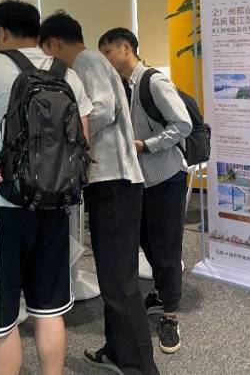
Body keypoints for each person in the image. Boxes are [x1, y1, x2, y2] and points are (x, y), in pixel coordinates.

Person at [0, 0, 92, 375]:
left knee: (1, 320)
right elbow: (84, 141)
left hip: (2, 206)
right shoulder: (66, 73)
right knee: (49, 311)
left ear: (0, 32)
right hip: (55, 204)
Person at [39, 12, 159, 375]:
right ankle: (117, 350)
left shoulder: (86, 61)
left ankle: (140, 366)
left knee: (120, 280)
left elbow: (102, 110)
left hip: (114, 182)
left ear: (54, 43)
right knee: (112, 276)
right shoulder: (90, 62)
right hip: (110, 182)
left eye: (46, 51)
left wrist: (67, 136)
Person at [98, 28, 192, 355]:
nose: (105, 59)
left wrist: (146, 145)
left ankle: (170, 315)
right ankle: (163, 293)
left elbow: (183, 125)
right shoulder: (121, 86)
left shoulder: (153, 82)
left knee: (166, 247)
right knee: (146, 242)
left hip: (165, 176)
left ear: (126, 48)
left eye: (108, 51)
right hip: (138, 180)